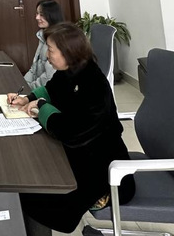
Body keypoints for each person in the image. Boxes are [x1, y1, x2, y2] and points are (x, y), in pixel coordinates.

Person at [8, 22, 135, 235]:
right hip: (79, 155)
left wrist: (41, 107)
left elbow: (70, 131)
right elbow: (52, 90)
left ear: (69, 52)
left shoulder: (94, 84)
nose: (47, 55)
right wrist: (27, 98)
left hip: (104, 172)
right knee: (30, 176)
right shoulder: (70, 71)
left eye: (51, 50)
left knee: (38, 192)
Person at [23, 0, 65, 90]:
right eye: (37, 13)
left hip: (45, 92)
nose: (37, 17)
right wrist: (22, 85)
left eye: (41, 14)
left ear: (52, 15)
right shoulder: (42, 36)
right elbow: (33, 69)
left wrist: (29, 90)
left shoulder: (58, 40)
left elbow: (48, 77)